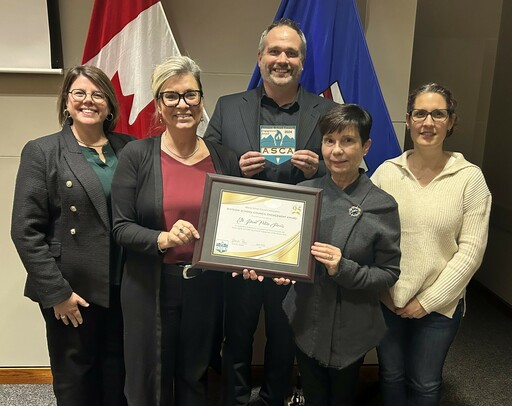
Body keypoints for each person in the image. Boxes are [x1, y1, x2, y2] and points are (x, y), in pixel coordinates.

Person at [204, 18, 338, 405]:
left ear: (302, 61)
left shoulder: (327, 110)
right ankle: (236, 399)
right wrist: (233, 166)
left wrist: (320, 169)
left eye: (291, 52)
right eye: (275, 51)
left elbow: (348, 171)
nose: (283, 59)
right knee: (238, 333)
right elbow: (205, 165)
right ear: (260, 57)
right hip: (240, 244)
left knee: (285, 335)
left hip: (295, 248)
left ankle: (277, 398)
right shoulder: (228, 107)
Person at [111, 56, 240, 406]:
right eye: (171, 96)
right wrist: (162, 238)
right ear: (158, 105)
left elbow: (238, 223)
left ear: (201, 100)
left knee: (195, 375)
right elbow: (121, 228)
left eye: (190, 95)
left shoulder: (225, 158)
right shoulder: (136, 156)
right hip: (151, 286)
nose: (182, 105)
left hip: (205, 286)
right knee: (150, 379)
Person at [10, 65, 134, 406]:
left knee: (118, 377)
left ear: (109, 105)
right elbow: (25, 230)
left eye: (98, 95)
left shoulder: (130, 148)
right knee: (76, 381)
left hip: (124, 286)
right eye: (79, 93)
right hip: (72, 290)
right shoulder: (43, 151)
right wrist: (57, 293)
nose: (88, 101)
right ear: (67, 102)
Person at [371, 83, 492, 406]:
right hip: (388, 301)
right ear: (408, 120)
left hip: (440, 306)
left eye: (438, 114)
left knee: (424, 383)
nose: (428, 123)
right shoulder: (385, 173)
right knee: (391, 376)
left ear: (451, 121)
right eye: (420, 114)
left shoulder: (470, 178)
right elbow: (365, 233)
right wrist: (385, 291)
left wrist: (427, 301)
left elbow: (471, 252)